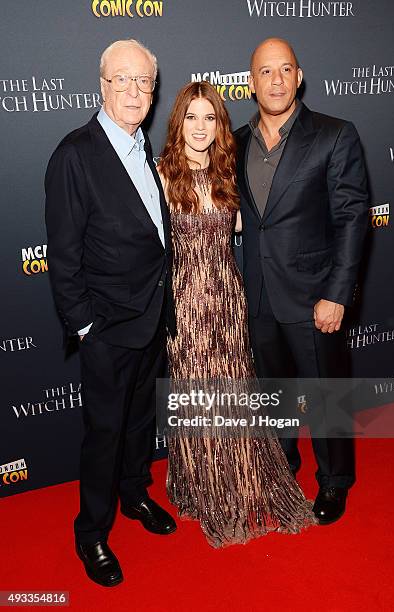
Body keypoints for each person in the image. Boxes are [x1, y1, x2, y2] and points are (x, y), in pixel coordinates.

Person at [158, 81, 316, 548]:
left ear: (220, 124)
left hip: (228, 299)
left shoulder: (232, 173)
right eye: (192, 117)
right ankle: (204, 485)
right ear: (178, 122)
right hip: (186, 302)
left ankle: (243, 477)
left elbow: (267, 221)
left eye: (210, 117)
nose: (201, 127)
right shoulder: (161, 173)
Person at [45, 39, 177, 587]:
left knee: (141, 425)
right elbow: (64, 254)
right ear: (101, 86)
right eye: (121, 80)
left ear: (152, 91)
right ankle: (91, 533)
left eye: (142, 82)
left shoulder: (145, 146)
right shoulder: (76, 153)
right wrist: (86, 326)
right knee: (104, 433)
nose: (133, 91)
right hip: (107, 328)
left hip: (152, 320)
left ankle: (134, 496)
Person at [235, 38, 369, 525]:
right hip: (258, 296)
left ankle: (334, 482)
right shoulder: (236, 141)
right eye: (265, 72)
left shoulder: (335, 134)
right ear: (251, 83)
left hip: (315, 296)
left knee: (327, 392)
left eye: (284, 69)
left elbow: (353, 218)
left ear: (299, 76)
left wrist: (337, 294)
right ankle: (283, 465)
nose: (275, 80)